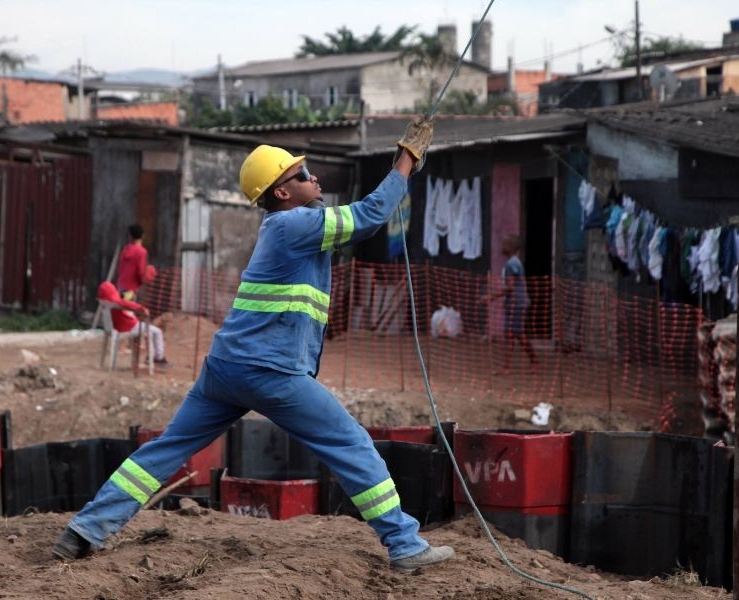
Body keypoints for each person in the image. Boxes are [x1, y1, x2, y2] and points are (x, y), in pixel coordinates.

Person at [52, 118, 455, 573]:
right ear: (282, 193)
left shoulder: (291, 231)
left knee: (164, 450)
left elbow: (354, 224)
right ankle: (403, 543)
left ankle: (84, 530)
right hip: (272, 372)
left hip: (224, 370)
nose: (313, 177)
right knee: (352, 444)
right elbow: (369, 215)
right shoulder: (293, 226)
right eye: (301, 175)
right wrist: (406, 161)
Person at [481, 235, 537, 372]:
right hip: (514, 302)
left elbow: (510, 287)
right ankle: (507, 366)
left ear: (512, 247)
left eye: (506, 244)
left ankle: (534, 360)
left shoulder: (512, 264)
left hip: (517, 303)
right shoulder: (512, 263)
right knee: (510, 333)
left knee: (517, 333)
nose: (503, 246)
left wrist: (491, 297)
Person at [98, 281, 169, 368]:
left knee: (148, 330)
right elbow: (126, 303)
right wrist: (142, 308)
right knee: (157, 332)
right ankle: (158, 357)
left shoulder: (105, 302)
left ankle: (152, 356)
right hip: (128, 327)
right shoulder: (115, 302)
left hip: (116, 328)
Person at [117, 224, 155, 301]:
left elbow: (120, 268)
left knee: (123, 311)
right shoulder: (141, 252)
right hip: (131, 291)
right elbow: (141, 273)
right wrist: (149, 272)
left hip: (121, 287)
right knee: (129, 311)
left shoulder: (125, 250)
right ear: (143, 236)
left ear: (130, 236)